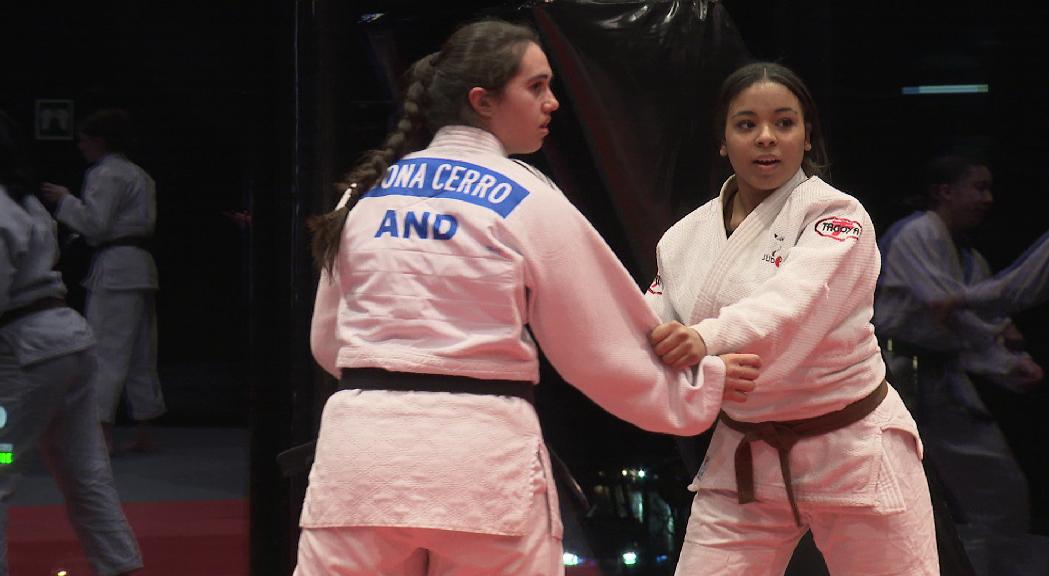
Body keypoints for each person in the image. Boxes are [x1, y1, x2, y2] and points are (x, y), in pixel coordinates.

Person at [294, 19, 760, 575]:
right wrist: (700, 385)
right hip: (479, 466)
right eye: (535, 87)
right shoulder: (525, 197)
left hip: (359, 463)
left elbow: (330, 344)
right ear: (483, 101)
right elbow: (602, 349)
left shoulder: (368, 195)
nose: (553, 103)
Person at [645, 61, 937, 575]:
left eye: (784, 123)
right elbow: (649, 335)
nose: (766, 138)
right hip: (746, 456)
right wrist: (692, 364)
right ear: (722, 140)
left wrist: (702, 340)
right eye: (746, 124)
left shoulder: (838, 217)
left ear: (807, 138)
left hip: (851, 448)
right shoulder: (682, 240)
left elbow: (788, 307)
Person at [874, 154, 1049, 574]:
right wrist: (1004, 355)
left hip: (940, 379)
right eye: (979, 187)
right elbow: (948, 311)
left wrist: (1010, 362)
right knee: (898, 494)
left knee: (996, 491)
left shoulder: (970, 259)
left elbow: (966, 329)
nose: (987, 198)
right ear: (944, 191)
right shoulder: (917, 232)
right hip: (899, 376)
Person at [0, 110, 143, 575]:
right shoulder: (25, 202)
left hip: (26, 357)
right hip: (69, 344)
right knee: (87, 473)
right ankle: (120, 566)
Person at [39, 108, 164, 453]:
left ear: (97, 140)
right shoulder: (140, 174)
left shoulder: (105, 173)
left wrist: (65, 200)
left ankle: (102, 434)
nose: (81, 147)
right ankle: (144, 431)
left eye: (83, 141)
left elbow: (96, 225)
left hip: (116, 269)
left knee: (106, 351)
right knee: (141, 352)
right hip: (139, 267)